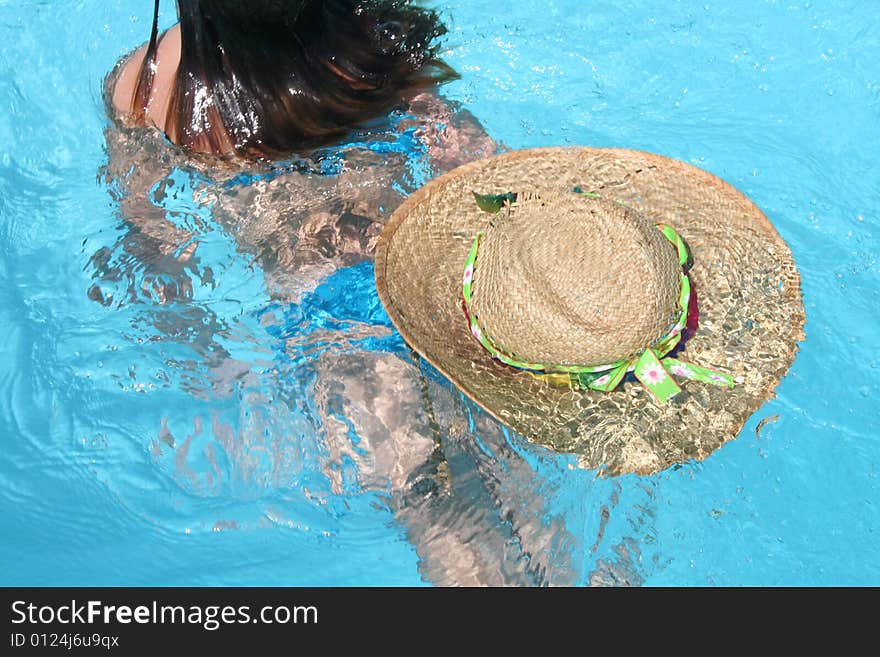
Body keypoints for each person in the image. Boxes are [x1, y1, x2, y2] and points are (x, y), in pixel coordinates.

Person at [98, 1, 580, 584]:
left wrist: (208, 357)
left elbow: (149, 242)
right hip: (433, 287)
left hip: (327, 322)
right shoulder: (364, 38)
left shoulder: (148, 87)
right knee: (518, 490)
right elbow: (478, 166)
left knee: (431, 504)